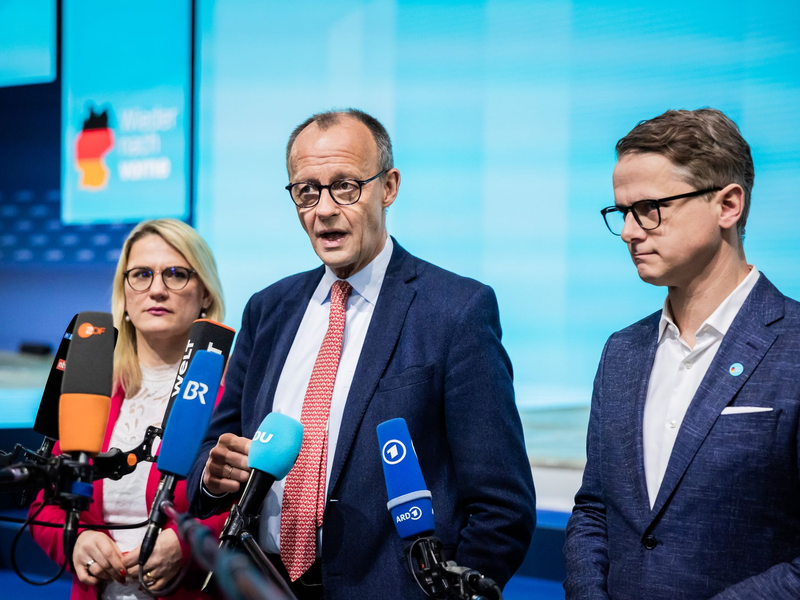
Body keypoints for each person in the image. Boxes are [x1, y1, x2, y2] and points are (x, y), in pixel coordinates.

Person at [187, 109, 536, 600]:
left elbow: (503, 508)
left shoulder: (455, 310)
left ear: (388, 187)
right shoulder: (268, 309)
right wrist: (214, 474)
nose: (324, 208)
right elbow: (210, 454)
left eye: (345, 186)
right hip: (259, 585)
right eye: (306, 190)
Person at [564, 108, 800, 598]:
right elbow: (594, 510)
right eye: (621, 212)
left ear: (728, 205)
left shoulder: (794, 345)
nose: (629, 231)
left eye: (650, 208)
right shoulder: (621, 352)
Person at [30, 219, 228, 600]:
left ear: (204, 291)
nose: (156, 289)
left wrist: (186, 549)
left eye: (175, 274)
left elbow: (251, 510)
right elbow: (46, 504)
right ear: (125, 291)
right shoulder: (88, 389)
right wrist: (75, 541)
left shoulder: (229, 397)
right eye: (141, 274)